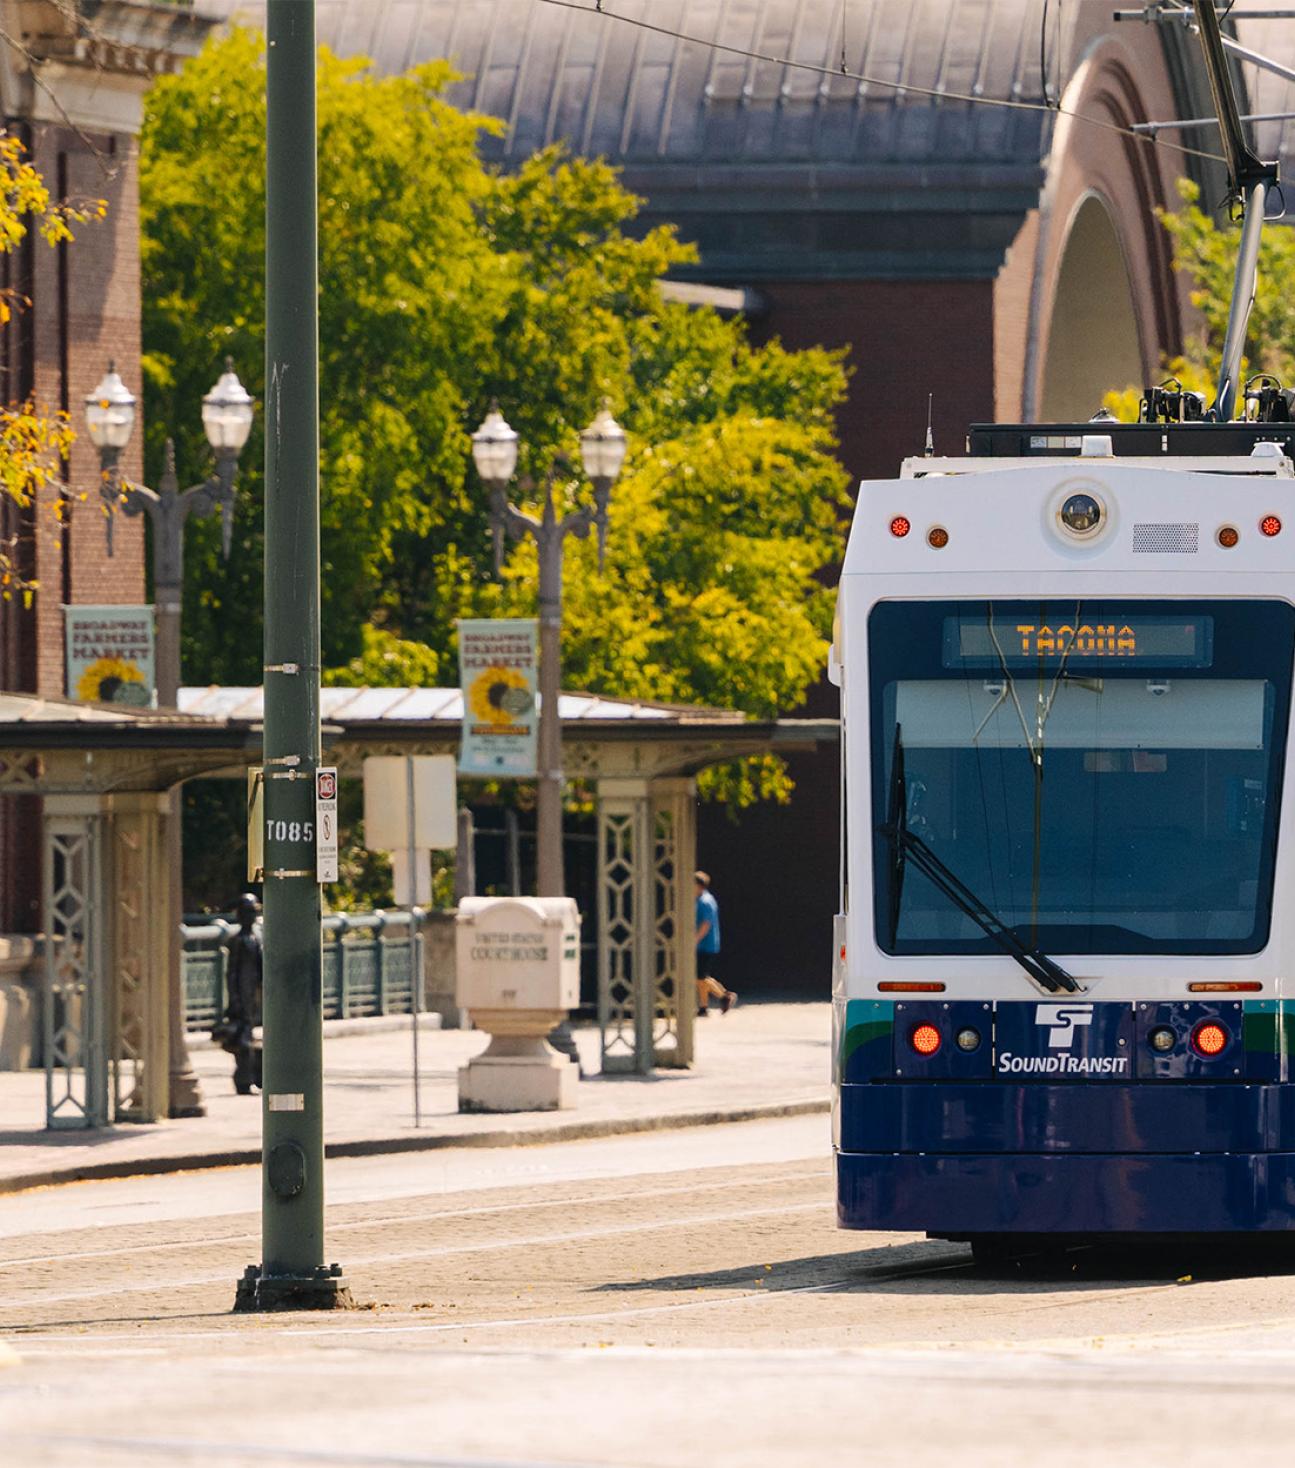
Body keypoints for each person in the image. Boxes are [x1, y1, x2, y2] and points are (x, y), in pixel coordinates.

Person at [212, 893, 264, 1094]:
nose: (252, 916)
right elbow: (231, 973)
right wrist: (235, 999)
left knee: (250, 1040)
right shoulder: (238, 941)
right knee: (244, 1042)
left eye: (254, 912)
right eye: (248, 912)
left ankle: (254, 1078)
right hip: (242, 998)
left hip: (253, 998)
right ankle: (244, 1081)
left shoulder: (255, 938)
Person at [695, 870, 736, 1016]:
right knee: (701, 977)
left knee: (700, 977)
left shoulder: (705, 902)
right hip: (702, 944)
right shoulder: (699, 899)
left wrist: (695, 940)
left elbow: (706, 924)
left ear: (698, 885)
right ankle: (703, 1007)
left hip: (706, 944)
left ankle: (724, 996)